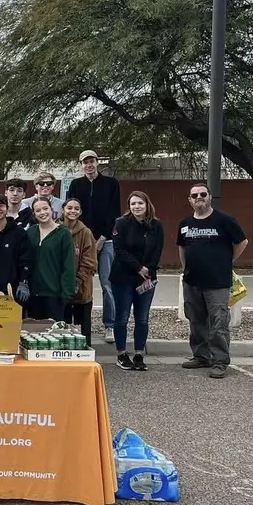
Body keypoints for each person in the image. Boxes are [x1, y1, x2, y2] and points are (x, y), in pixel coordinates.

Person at [178, 184, 248, 379]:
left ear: (209, 197)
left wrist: (228, 261)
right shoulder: (184, 223)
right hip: (192, 281)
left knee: (218, 323)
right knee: (196, 320)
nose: (198, 197)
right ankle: (201, 356)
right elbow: (182, 247)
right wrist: (185, 269)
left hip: (217, 282)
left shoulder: (224, 220)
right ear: (189, 200)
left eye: (203, 194)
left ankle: (220, 361)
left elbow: (242, 242)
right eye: (194, 195)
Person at [68, 150, 122, 345]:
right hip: (80, 242)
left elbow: (114, 213)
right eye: (85, 162)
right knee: (79, 281)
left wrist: (101, 238)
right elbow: (72, 212)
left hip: (105, 241)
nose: (89, 165)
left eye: (92, 161)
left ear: (97, 162)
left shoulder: (111, 184)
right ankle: (73, 325)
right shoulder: (76, 184)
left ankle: (110, 325)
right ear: (81, 165)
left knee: (107, 285)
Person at [110, 191, 164, 371]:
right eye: (133, 204)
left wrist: (148, 269)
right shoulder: (121, 223)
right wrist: (138, 267)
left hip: (146, 279)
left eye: (140, 203)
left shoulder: (156, 225)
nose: (136, 207)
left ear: (147, 204)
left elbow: (158, 250)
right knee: (122, 317)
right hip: (123, 277)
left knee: (142, 319)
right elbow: (119, 250)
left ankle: (139, 354)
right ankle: (122, 354)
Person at [26, 197, 76, 321]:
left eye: (45, 208)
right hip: (33, 294)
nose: (42, 213)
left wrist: (67, 292)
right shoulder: (30, 233)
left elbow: (68, 265)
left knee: (52, 335)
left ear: (51, 209)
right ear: (34, 214)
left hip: (55, 294)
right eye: (38, 210)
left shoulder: (63, 234)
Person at [61, 198, 98, 346]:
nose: (72, 211)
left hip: (81, 290)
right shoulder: (56, 230)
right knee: (62, 327)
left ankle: (84, 356)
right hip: (61, 289)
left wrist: (77, 281)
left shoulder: (86, 233)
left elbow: (89, 262)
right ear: (63, 210)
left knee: (82, 329)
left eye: (76, 208)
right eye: (69, 208)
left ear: (80, 212)